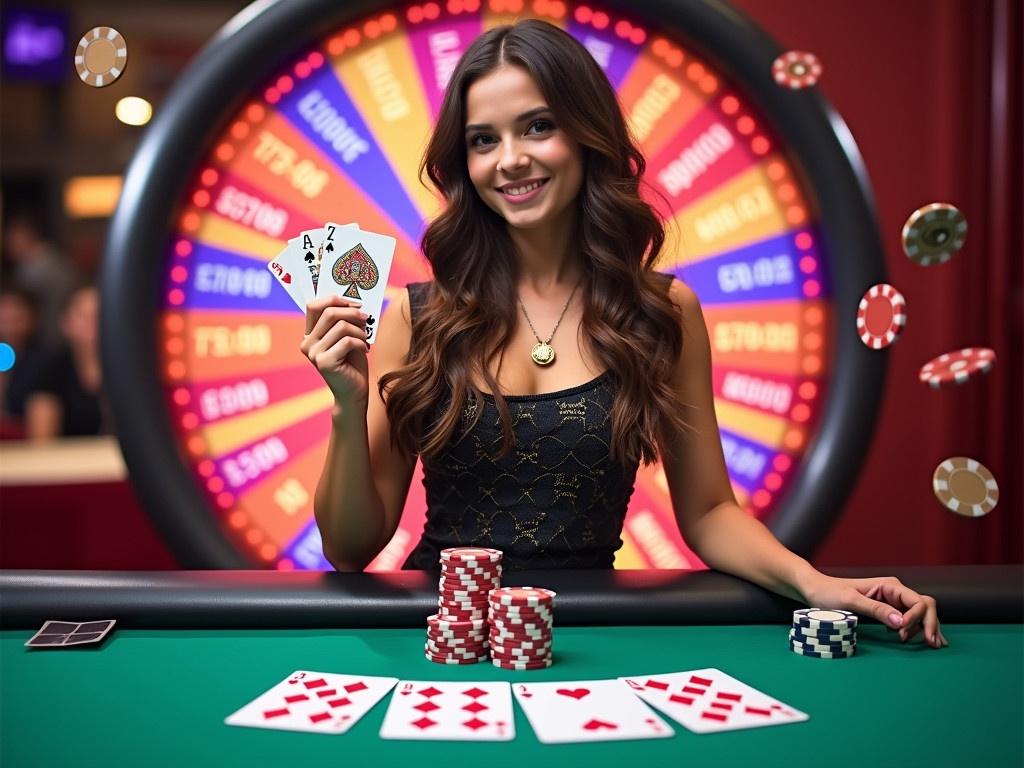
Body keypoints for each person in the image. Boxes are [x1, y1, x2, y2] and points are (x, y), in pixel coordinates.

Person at [301, 20, 947, 649]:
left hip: (597, 636)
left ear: (587, 135)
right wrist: (347, 406)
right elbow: (350, 548)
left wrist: (812, 581)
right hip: (446, 637)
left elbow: (709, 514)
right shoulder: (418, 320)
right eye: (482, 140)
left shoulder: (661, 311)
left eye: (538, 126)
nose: (511, 159)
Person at [24, 282, 106, 440]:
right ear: (65, 322)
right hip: (63, 461)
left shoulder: (131, 370)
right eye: (82, 316)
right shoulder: (49, 368)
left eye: (98, 316)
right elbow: (41, 441)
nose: (90, 324)